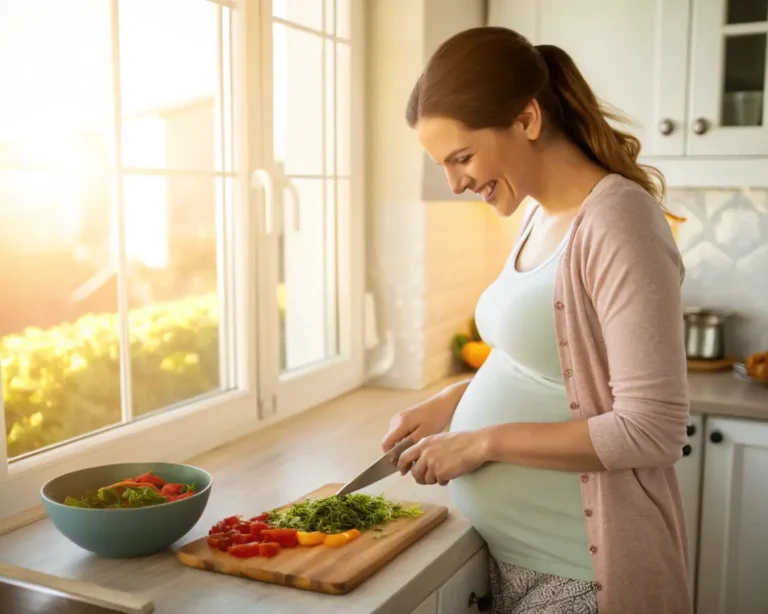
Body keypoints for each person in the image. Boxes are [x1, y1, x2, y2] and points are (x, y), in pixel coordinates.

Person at [381, 26, 691, 614]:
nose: (456, 183)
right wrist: (453, 400)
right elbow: (552, 368)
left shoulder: (618, 221)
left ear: (526, 119)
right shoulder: (538, 215)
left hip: (581, 575)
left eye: (463, 157)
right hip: (516, 560)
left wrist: (481, 443)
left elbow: (653, 429)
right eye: (443, 164)